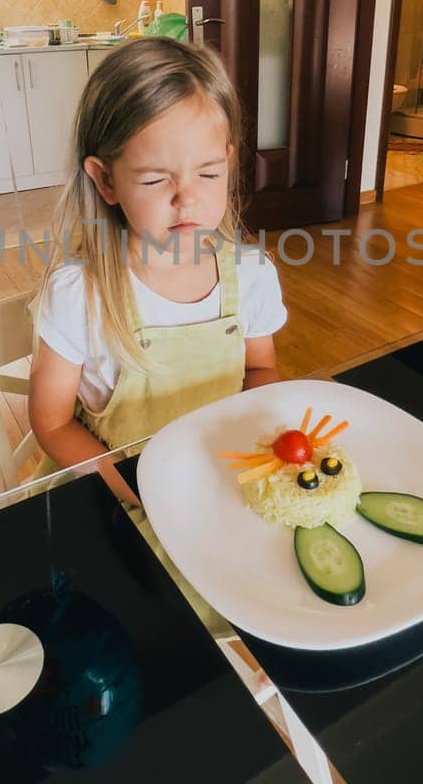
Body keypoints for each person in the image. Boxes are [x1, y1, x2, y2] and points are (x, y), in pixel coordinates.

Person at [28, 36, 286, 504]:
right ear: (106, 180)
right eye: (154, 179)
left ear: (228, 162)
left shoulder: (251, 274)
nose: (187, 198)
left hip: (219, 481)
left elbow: (260, 368)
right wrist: (136, 490)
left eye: (207, 174)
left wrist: (265, 433)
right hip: (116, 492)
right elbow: (52, 422)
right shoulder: (79, 294)